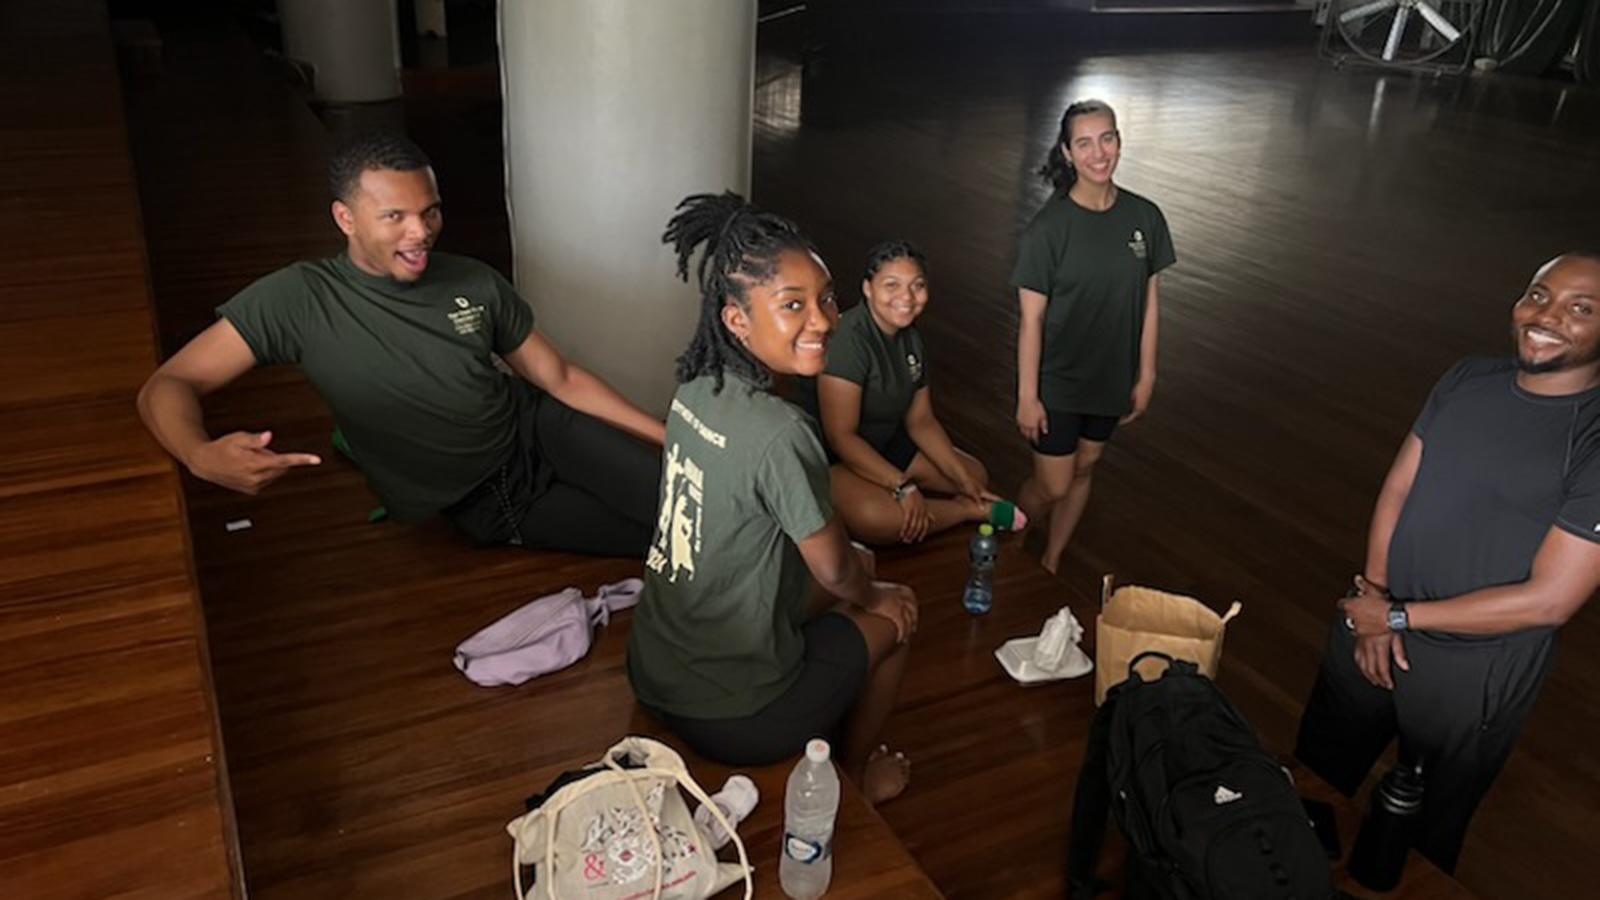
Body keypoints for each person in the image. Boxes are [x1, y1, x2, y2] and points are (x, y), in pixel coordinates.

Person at [135, 132, 663, 556]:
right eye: (395, 217)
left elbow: (560, 378)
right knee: (677, 546)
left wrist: (671, 437)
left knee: (705, 514)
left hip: (541, 427)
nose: (421, 232)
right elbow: (168, 383)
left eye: (429, 211)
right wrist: (200, 455)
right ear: (345, 219)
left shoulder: (473, 280)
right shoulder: (298, 298)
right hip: (491, 499)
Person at [1296, 252, 1600, 874]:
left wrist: (1398, 619)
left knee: (1413, 843)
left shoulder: (1593, 437)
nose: (1548, 317)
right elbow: (1399, 487)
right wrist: (1375, 595)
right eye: (1539, 295)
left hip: (1471, 675)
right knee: (1310, 785)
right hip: (1371, 618)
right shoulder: (1468, 378)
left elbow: (1549, 600)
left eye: (1582, 309)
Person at [626, 192, 917, 804]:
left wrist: (858, 580)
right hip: (735, 715)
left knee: (861, 565)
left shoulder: (694, 389)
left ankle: (830, 691)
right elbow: (836, 571)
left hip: (652, 664)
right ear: (736, 319)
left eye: (826, 298)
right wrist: (877, 598)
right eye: (792, 306)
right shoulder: (783, 432)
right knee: (897, 606)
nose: (823, 320)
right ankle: (858, 778)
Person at [1011, 99, 1175, 574]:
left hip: (1111, 379)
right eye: (1084, 143)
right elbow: (1031, 321)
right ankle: (1012, 536)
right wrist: (1027, 396)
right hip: (1059, 381)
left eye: (1107, 138)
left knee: (1085, 469)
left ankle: (1052, 559)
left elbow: (1150, 303)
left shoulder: (1145, 217)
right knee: (1052, 485)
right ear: (1066, 152)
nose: (1098, 152)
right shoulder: (1048, 231)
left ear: (1119, 141)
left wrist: (1146, 374)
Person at [799, 240, 1024, 545]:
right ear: (868, 287)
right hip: (835, 456)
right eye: (891, 285)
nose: (906, 297)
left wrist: (962, 480)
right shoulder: (849, 341)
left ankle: (963, 497)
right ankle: (965, 511)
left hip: (884, 443)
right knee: (880, 518)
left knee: (974, 475)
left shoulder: (910, 337)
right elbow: (842, 437)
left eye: (917, 286)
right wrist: (903, 486)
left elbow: (921, 421)